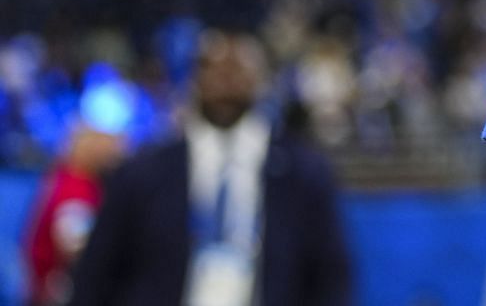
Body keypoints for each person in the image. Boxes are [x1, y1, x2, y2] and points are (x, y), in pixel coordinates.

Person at [68, 31, 351, 306]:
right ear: (194, 78)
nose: (226, 79)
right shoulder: (143, 173)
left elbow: (330, 277)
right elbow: (97, 275)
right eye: (213, 66)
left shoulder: (303, 174)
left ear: (262, 78)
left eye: (238, 66)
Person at [20, 87, 130, 305]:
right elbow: (78, 250)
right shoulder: (74, 187)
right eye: (112, 141)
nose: (118, 150)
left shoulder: (76, 178)